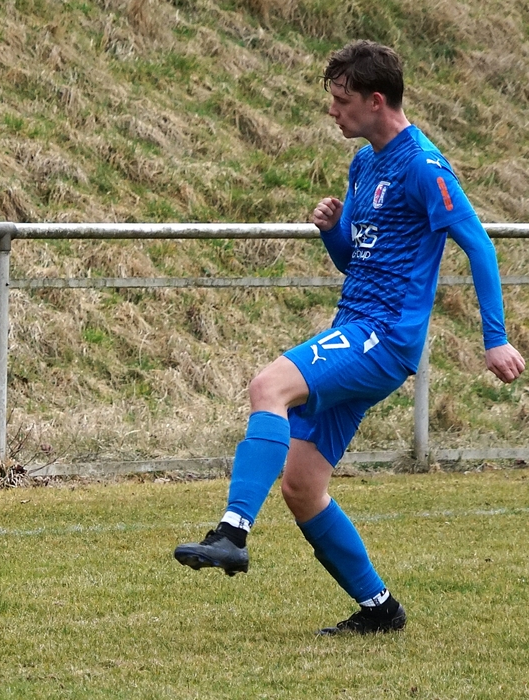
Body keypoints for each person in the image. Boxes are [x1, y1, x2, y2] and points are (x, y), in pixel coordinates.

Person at [173, 41, 525, 634]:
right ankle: (379, 608)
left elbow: (479, 246)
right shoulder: (364, 164)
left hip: (384, 336)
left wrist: (495, 337)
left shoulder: (424, 166)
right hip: (355, 328)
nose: (332, 111)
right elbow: (356, 262)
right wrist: (335, 231)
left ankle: (232, 532)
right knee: (302, 485)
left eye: (342, 100)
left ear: (376, 100)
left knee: (268, 386)